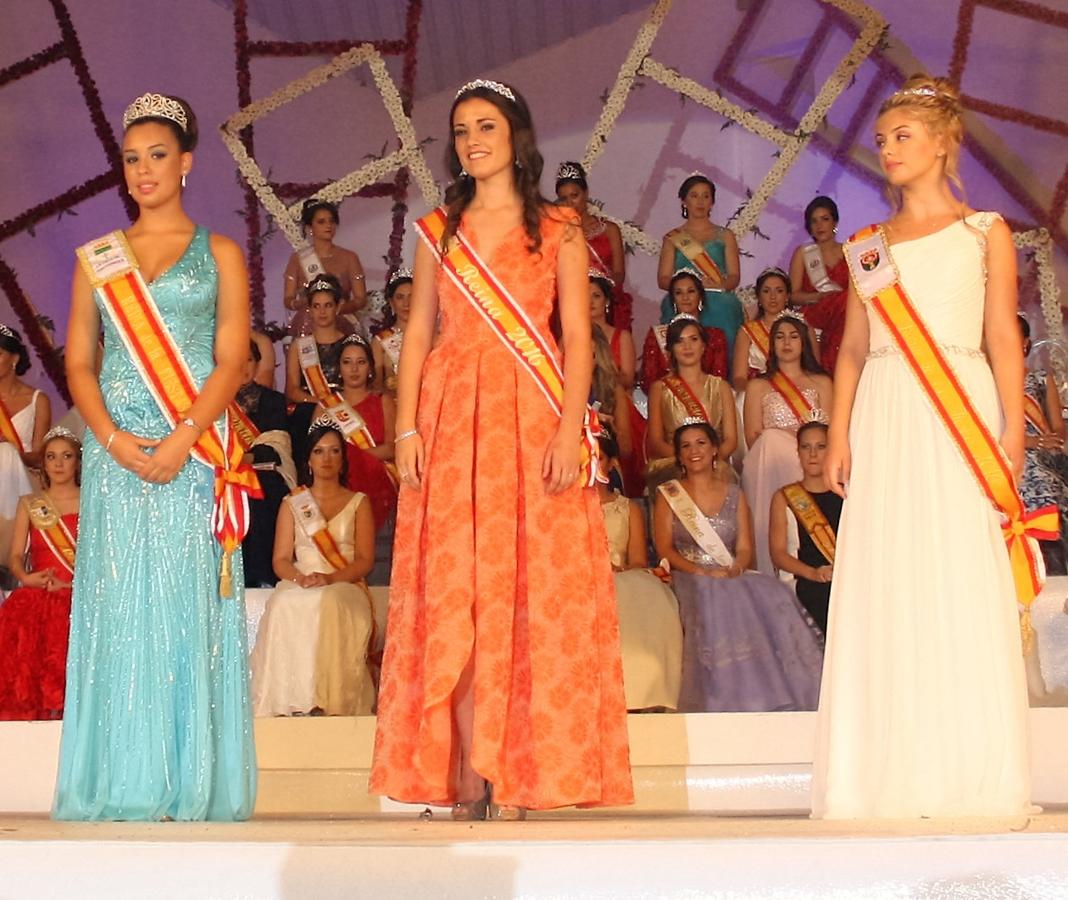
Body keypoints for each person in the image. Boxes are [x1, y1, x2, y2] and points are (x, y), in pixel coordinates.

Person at [370, 78, 633, 819]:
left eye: (486, 126)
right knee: (458, 594)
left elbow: (579, 336)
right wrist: (408, 428)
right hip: (453, 420)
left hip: (532, 414)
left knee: (529, 594)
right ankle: (463, 774)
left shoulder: (559, 228)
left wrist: (568, 428)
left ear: (517, 135)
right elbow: (417, 331)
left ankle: (518, 772)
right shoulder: (437, 230)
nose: (472, 140)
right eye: (460, 130)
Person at [813, 75, 1036, 819]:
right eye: (881, 140)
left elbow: (1003, 335)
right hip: (885, 407)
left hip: (959, 409)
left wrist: (1011, 426)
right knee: (890, 574)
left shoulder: (986, 232)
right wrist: (840, 431)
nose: (888, 150)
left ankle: (965, 772)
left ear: (944, 142)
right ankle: (883, 776)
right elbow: (848, 349)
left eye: (903, 136)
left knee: (955, 571)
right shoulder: (867, 248)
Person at [56, 92, 256, 821]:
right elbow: (81, 361)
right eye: (132, 158)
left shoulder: (221, 252)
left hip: (192, 449)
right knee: (121, 608)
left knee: (182, 608)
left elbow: (231, 358)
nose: (143, 170)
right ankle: (124, 781)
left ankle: (187, 779)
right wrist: (108, 438)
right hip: (116, 453)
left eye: (157, 156)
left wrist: (180, 441)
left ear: (186, 163)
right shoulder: (99, 258)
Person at [652, 421, 823, 712]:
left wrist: (737, 568)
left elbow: (744, 549)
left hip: (730, 574)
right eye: (686, 446)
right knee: (713, 596)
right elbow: (665, 548)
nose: (694, 451)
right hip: (689, 575)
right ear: (679, 456)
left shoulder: (735, 493)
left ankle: (767, 692)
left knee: (772, 593)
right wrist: (702, 572)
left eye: (701, 443)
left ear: (715, 449)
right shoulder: (669, 495)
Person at [250, 421, 376, 717]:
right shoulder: (293, 503)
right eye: (319, 451)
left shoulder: (359, 503)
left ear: (343, 458)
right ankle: (288, 700)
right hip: (301, 580)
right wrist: (300, 578)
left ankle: (330, 700)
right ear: (308, 459)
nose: (327, 458)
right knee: (283, 602)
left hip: (344, 583)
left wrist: (330, 578)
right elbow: (280, 559)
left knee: (330, 601)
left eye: (334, 451)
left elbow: (364, 561)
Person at [0, 427, 81, 720]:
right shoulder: (31, 504)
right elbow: (15, 556)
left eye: (66, 456)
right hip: (37, 595)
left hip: (77, 595)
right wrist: (25, 577)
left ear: (77, 463)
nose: (58, 464)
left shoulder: (92, 502)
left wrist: (71, 584)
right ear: (43, 463)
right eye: (51, 457)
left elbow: (100, 558)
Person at [742, 316, 832, 576]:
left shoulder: (822, 383)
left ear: (803, 342)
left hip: (812, 460)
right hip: (770, 463)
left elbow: (830, 433)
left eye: (793, 336)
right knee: (770, 441)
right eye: (780, 337)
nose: (787, 342)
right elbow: (752, 438)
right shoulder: (758, 385)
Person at [598, 435, 683, 711]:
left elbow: (636, 559)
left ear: (610, 464)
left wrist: (618, 569)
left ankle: (645, 691)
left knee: (644, 590)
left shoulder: (628, 508)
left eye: (597, 457)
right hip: (582, 576)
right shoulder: (563, 508)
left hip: (622, 575)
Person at [657, 174, 744, 360]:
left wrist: (718, 285)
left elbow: (734, 277)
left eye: (706, 196)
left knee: (726, 306)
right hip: (683, 300)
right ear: (684, 201)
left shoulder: (726, 235)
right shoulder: (673, 238)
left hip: (719, 299)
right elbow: (663, 279)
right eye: (694, 195)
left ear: (712, 202)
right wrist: (688, 287)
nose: (700, 201)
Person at [646, 315, 737, 491]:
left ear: (703, 346)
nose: (687, 347)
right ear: (671, 349)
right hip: (673, 463)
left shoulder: (721, 387)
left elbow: (731, 440)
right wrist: (687, 460)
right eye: (680, 341)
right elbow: (656, 442)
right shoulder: (660, 388)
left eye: (693, 339)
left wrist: (708, 461)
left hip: (714, 463)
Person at [317, 334, 397, 534]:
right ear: (339, 367)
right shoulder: (325, 407)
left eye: (361, 362)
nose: (354, 369)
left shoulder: (383, 402)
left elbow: (392, 448)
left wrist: (353, 457)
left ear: (370, 367)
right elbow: (315, 452)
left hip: (380, 486)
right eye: (347, 362)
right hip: (338, 485)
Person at [769, 421, 841, 634]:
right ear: (798, 452)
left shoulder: (846, 494)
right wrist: (814, 573)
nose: (812, 454)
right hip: (806, 581)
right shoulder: (785, 497)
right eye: (805, 447)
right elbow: (778, 554)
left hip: (845, 579)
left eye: (821, 447)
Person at [234, 340, 295, 588]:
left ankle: (264, 577)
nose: (243, 367)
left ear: (258, 363)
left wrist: (246, 457)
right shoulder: (215, 402)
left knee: (263, 493)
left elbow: (277, 445)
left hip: (263, 474)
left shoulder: (273, 401)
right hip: (224, 476)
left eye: (249, 360)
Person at [555, 161, 634, 330]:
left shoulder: (609, 229)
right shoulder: (556, 235)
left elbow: (619, 273)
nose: (570, 204)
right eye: (564, 199)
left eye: (574, 196)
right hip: (571, 307)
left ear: (586, 193)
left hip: (606, 305)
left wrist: (602, 292)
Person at [1017, 314, 1068, 575]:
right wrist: (1031, 441)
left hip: (1043, 456)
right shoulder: (986, 382)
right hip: (1010, 454)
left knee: (1050, 482)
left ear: (1025, 343)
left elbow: (1058, 426)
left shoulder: (1039, 378)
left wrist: (1051, 439)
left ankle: (1056, 570)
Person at [0, 324, 51, 576]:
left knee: (6, 455)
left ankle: (9, 546)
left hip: (25, 478)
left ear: (15, 358)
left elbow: (41, 456)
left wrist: (10, 452)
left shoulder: (37, 399)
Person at [285, 273, 348, 460]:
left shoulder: (351, 344)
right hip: (309, 409)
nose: (322, 312)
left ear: (337, 308)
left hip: (345, 408)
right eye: (316, 306)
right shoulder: (299, 346)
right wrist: (321, 404)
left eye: (328, 305)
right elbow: (292, 390)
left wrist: (335, 404)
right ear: (310, 310)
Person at [282, 199, 366, 336]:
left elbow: (360, 299)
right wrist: (302, 304)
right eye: (321, 222)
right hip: (307, 322)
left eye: (331, 221)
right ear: (310, 228)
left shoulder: (350, 257)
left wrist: (336, 309)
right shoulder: (298, 259)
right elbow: (288, 299)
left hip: (342, 320)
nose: (328, 226)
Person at [640, 269, 729, 392]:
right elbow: (648, 381)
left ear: (700, 297)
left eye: (691, 291)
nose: (685, 297)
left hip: (706, 403)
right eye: (678, 293)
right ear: (673, 300)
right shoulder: (657, 335)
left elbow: (719, 380)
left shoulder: (715, 336)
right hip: (665, 402)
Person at [789, 196, 848, 376]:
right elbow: (793, 296)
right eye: (814, 221)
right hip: (816, 312)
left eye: (825, 219)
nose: (819, 226)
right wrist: (818, 297)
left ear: (835, 221)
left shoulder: (849, 250)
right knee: (845, 300)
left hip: (844, 316)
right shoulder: (803, 253)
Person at [731, 268, 815, 392]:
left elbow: (814, 371)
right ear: (758, 297)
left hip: (797, 396)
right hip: (757, 395)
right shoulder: (747, 331)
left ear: (787, 296)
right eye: (766, 291)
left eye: (779, 291)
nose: (773, 297)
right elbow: (739, 378)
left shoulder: (803, 328)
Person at [371, 268, 412, 395]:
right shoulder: (380, 341)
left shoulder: (432, 337)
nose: (406, 304)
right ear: (391, 302)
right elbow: (376, 385)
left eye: (412, 297)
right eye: (400, 298)